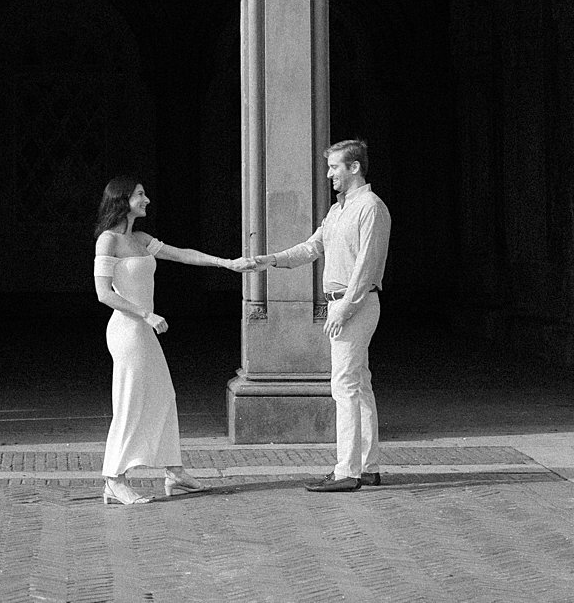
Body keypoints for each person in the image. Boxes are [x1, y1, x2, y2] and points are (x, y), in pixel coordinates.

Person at [93, 175, 246, 505]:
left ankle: (174, 473)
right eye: (140, 195)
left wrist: (226, 263)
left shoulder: (141, 238)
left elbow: (182, 254)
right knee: (129, 401)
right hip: (127, 331)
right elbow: (104, 294)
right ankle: (113, 478)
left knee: (163, 395)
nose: (146, 199)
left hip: (142, 331)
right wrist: (146, 315)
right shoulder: (107, 241)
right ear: (122, 201)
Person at [249, 139, 391, 492]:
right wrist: (272, 260)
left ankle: (346, 471)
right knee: (359, 384)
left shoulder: (370, 208)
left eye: (334, 167)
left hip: (354, 303)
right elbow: (313, 246)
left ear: (354, 167)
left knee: (343, 386)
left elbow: (366, 266)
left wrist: (343, 308)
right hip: (346, 303)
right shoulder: (338, 210)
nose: (329, 174)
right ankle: (367, 466)